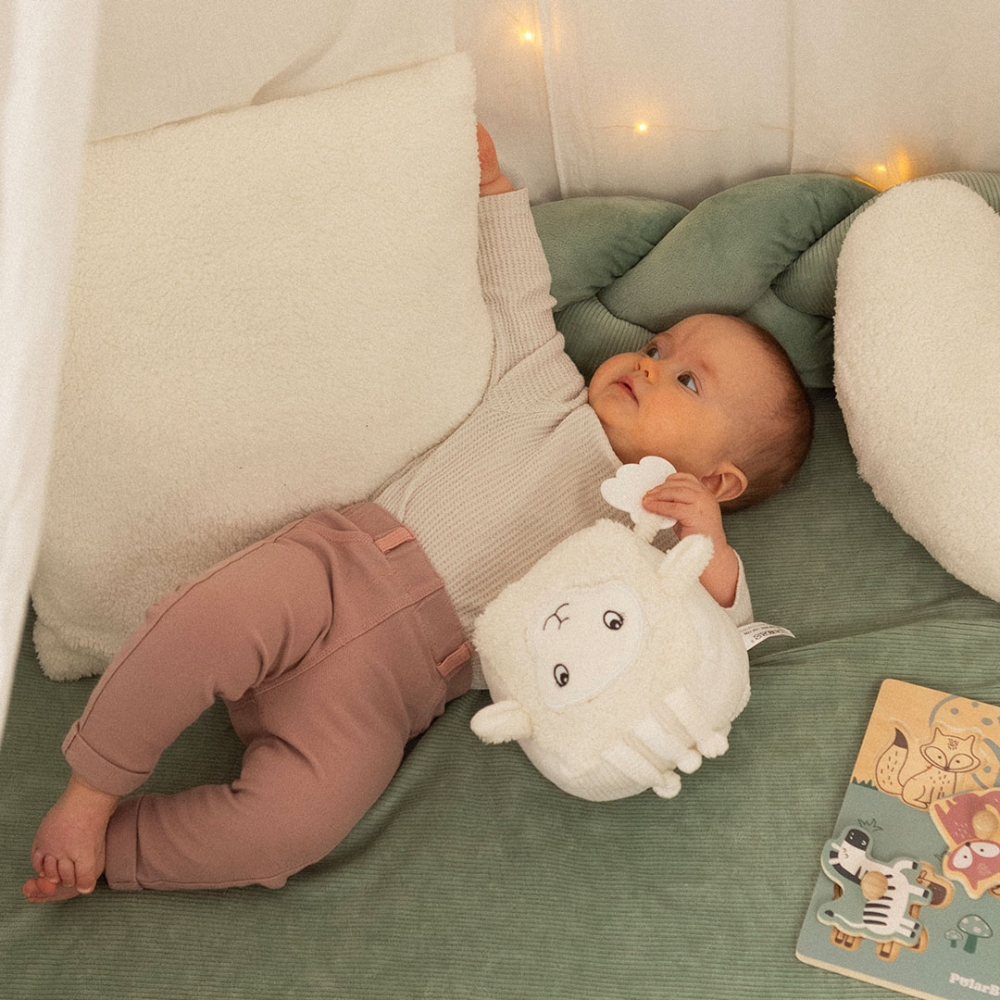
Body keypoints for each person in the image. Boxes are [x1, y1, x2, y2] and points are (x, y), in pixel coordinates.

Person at [23, 126, 812, 902]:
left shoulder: (658, 544)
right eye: (662, 345)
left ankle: (110, 852)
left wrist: (706, 539)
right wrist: (496, 192)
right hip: (338, 571)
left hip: (389, 697)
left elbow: (710, 632)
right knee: (204, 622)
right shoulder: (542, 383)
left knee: (297, 827)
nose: (651, 361)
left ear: (723, 479)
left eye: (689, 383)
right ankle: (89, 791)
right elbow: (517, 296)